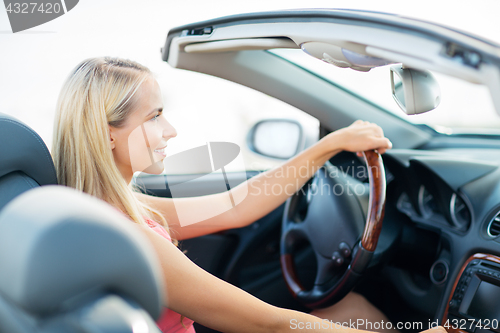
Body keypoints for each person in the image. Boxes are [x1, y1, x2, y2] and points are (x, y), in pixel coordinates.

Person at [52, 57, 444, 333]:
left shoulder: (120, 207)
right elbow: (266, 323)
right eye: (154, 116)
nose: (170, 130)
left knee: (346, 307)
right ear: (107, 133)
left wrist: (329, 145)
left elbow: (235, 206)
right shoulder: (131, 238)